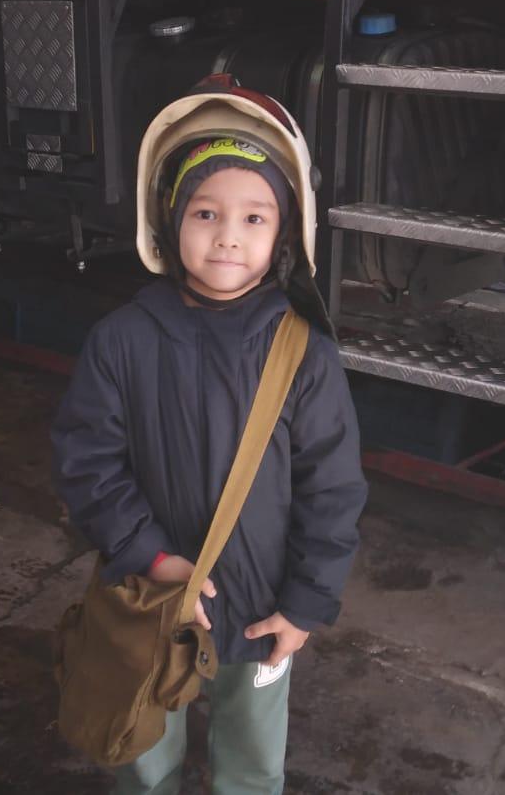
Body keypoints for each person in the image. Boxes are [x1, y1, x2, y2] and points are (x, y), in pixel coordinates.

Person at [51, 75, 368, 795]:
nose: (228, 235)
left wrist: (305, 605)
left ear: (284, 233)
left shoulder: (303, 354)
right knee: (141, 756)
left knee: (251, 769)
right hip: (149, 602)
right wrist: (152, 558)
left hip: (260, 616)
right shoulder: (120, 340)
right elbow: (87, 463)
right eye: (205, 212)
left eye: (255, 217)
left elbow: (333, 490)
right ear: (168, 221)